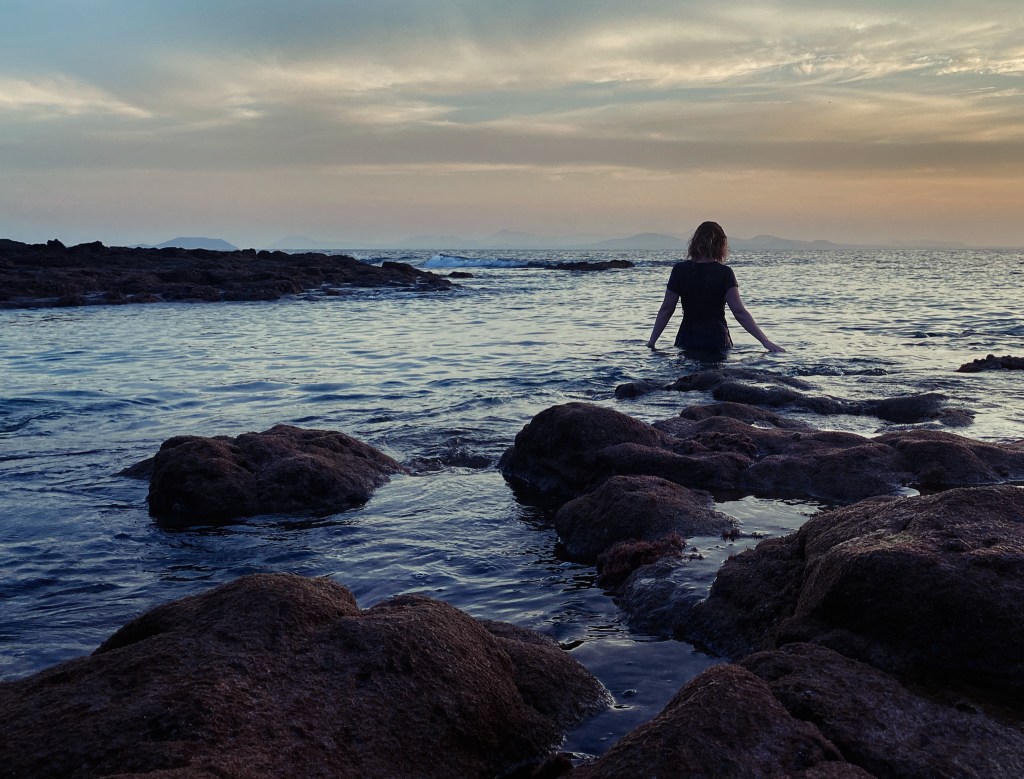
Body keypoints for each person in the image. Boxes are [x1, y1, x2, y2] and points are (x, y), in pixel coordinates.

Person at [647, 221, 785, 354]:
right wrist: (765, 342)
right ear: (721, 245)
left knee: (688, 376)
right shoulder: (724, 273)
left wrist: (652, 342)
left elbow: (666, 309)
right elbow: (739, 312)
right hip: (717, 339)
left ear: (694, 242)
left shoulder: (680, 270)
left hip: (687, 338)